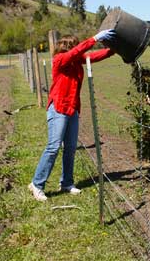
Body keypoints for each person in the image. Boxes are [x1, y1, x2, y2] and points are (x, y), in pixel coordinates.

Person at [28, 29, 116, 201]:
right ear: (68, 47)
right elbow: (77, 52)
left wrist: (114, 50)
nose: (78, 49)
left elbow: (95, 56)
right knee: (53, 147)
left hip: (73, 109)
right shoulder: (60, 60)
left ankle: (67, 182)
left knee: (70, 149)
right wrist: (95, 38)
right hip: (59, 108)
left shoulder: (77, 61)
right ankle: (37, 184)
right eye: (75, 46)